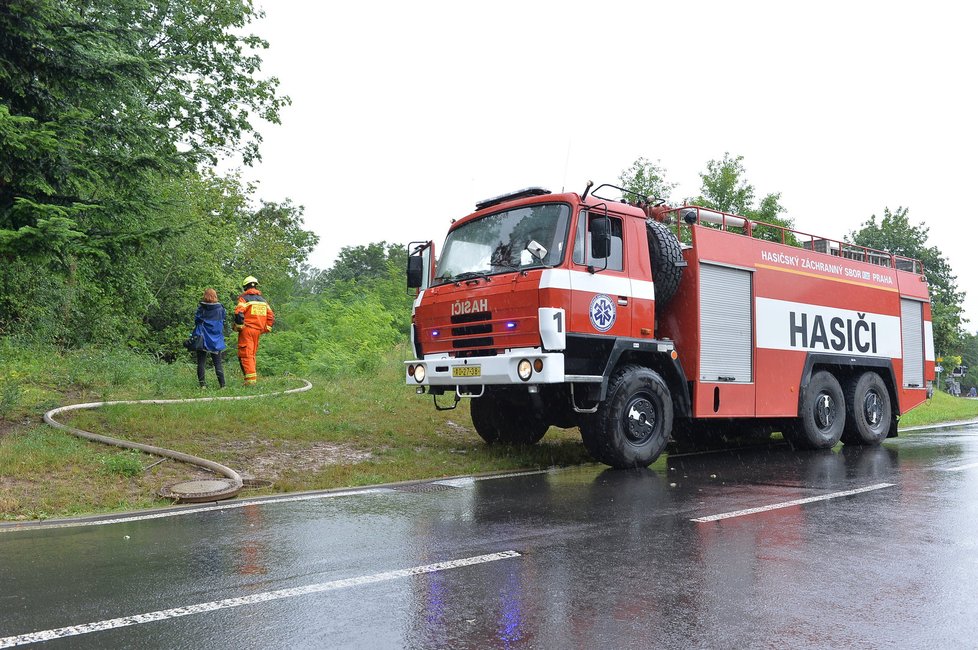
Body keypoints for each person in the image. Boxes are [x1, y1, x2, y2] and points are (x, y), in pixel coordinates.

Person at [234, 275, 275, 385]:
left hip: (247, 330)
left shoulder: (244, 299)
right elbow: (270, 316)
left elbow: (238, 312)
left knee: (246, 354)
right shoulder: (263, 301)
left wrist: (239, 327)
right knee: (251, 355)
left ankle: (250, 383)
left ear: (245, 287)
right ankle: (251, 380)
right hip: (258, 331)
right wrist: (265, 328)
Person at [194, 288, 226, 388]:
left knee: (201, 363)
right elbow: (223, 320)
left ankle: (202, 385)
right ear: (215, 296)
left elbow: (197, 320)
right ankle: (222, 385)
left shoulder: (201, 308)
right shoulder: (220, 308)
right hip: (216, 339)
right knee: (217, 363)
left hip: (202, 339)